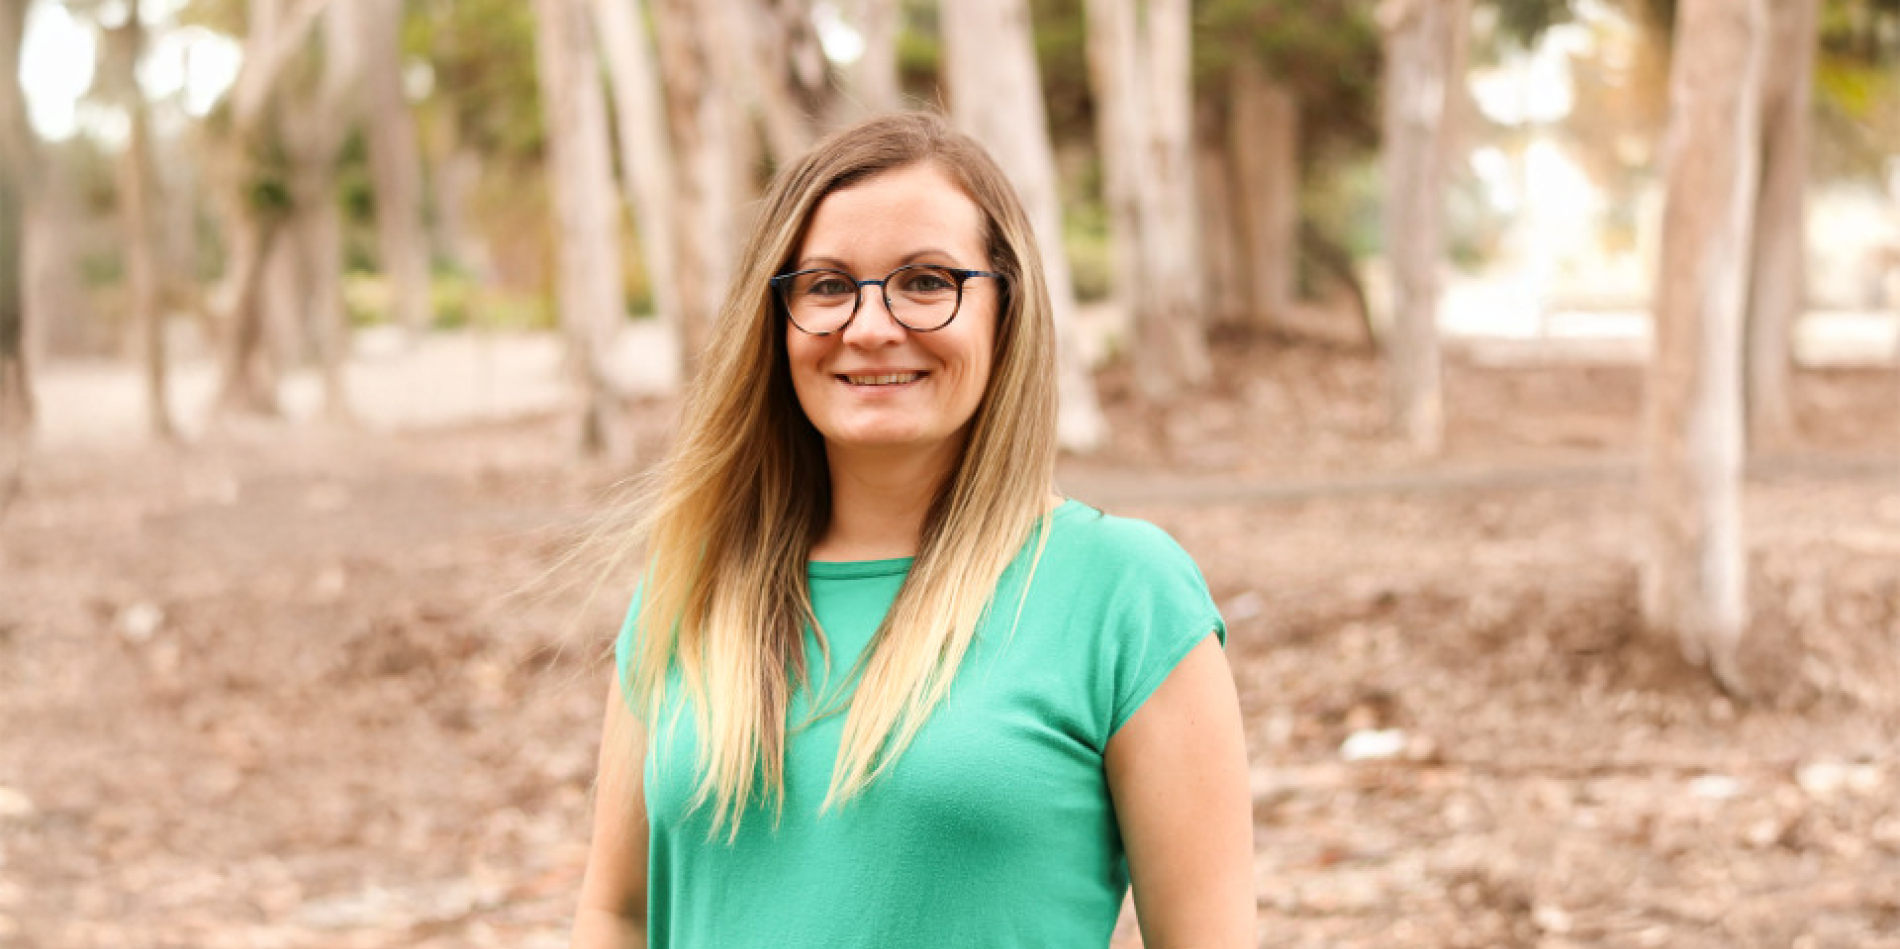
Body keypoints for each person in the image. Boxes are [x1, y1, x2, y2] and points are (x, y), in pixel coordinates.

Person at [570, 111, 1252, 949]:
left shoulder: (1123, 593)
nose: (870, 326)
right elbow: (619, 913)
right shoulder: (693, 590)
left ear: (1007, 308)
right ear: (776, 321)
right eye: (826, 285)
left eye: (926, 281)